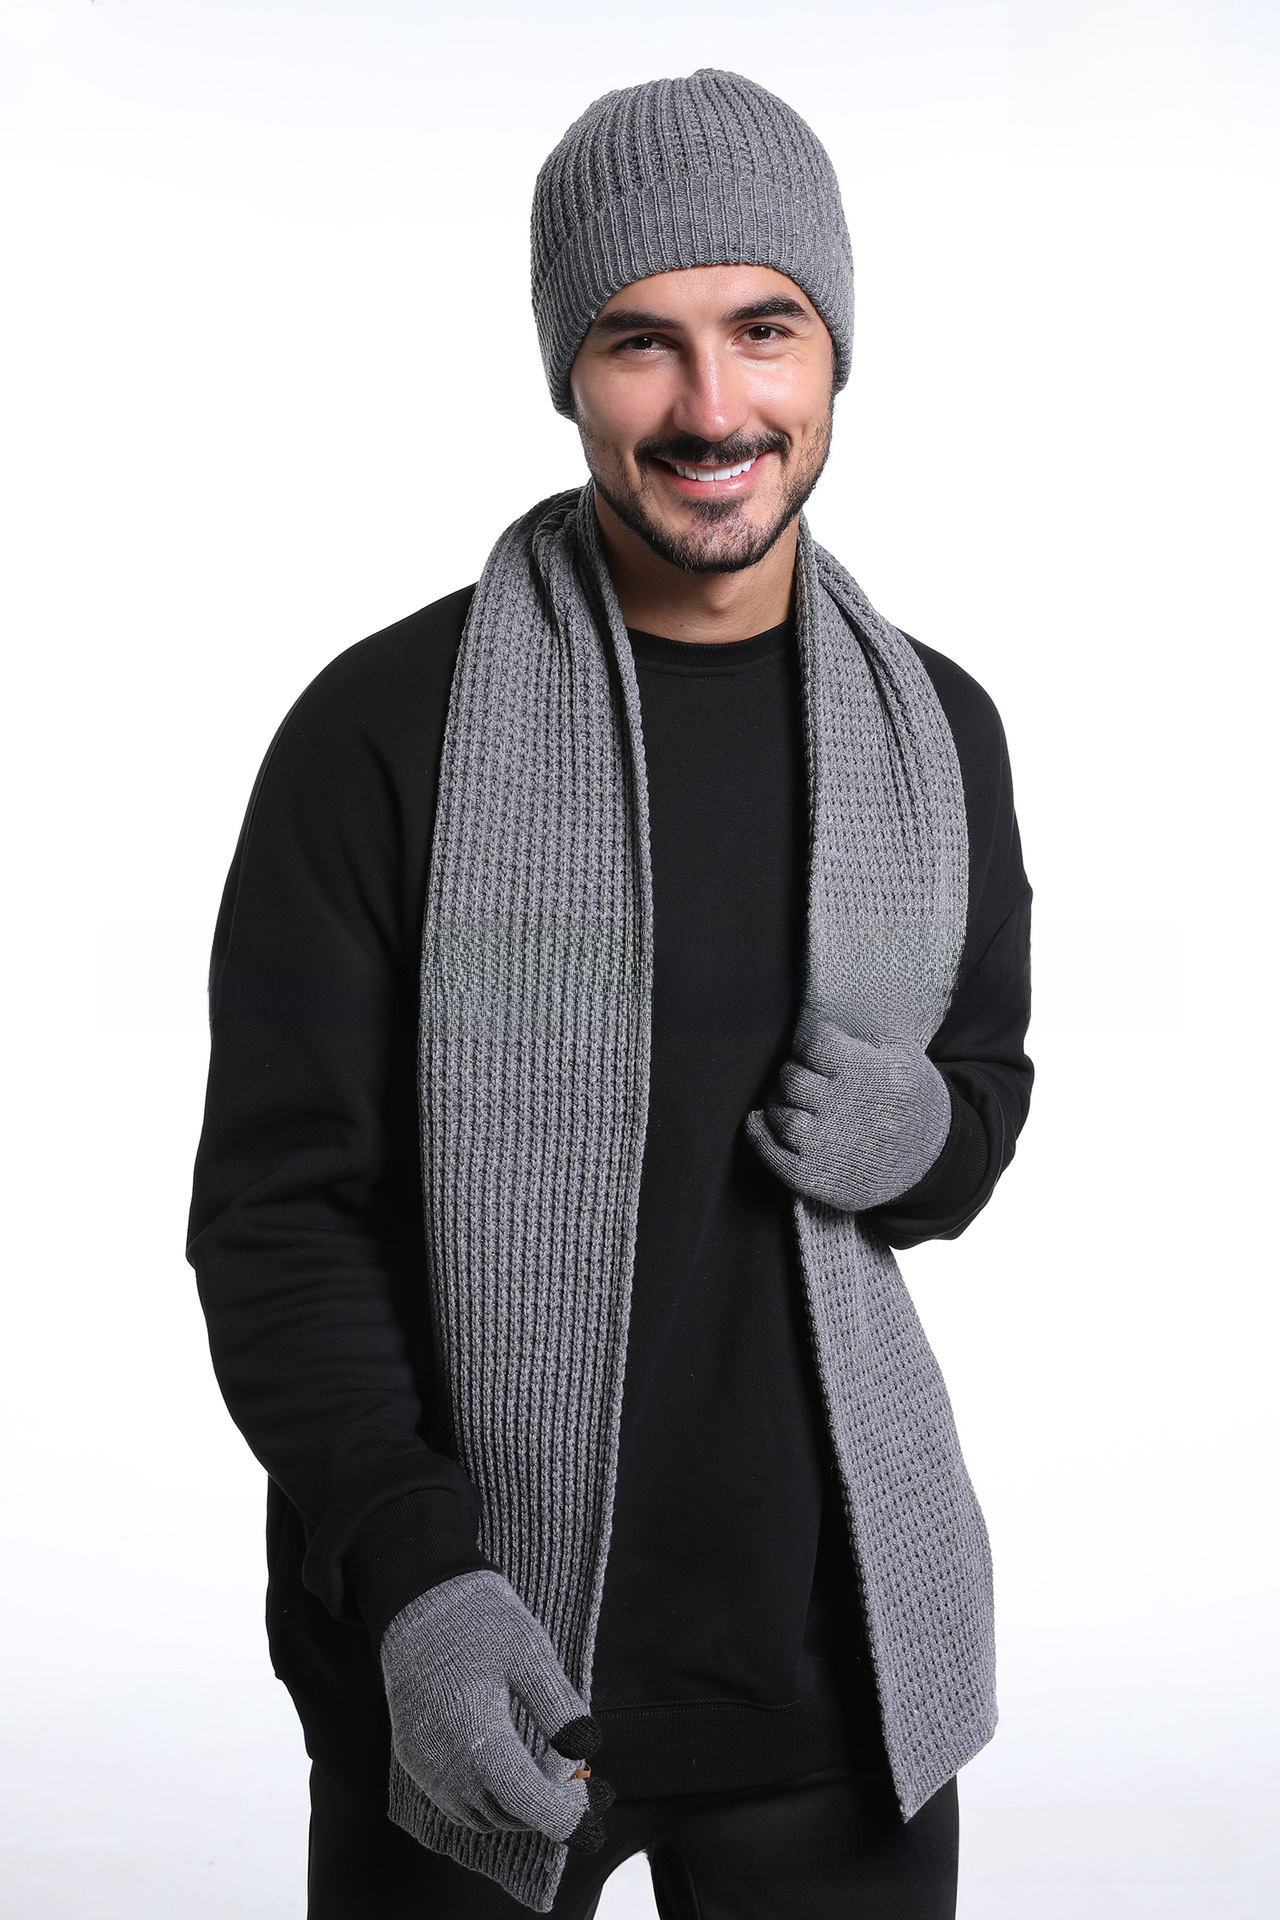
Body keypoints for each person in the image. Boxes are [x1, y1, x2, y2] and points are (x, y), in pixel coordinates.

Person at [188, 68, 1032, 1920]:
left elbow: (982, 1104)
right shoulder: (383, 735)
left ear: (835, 351)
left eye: (764, 329)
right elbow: (275, 1223)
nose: (713, 407)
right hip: (475, 1658)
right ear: (567, 370)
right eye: (643, 341)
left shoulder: (938, 736)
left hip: (838, 1673)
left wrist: (922, 1135)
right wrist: (414, 1578)